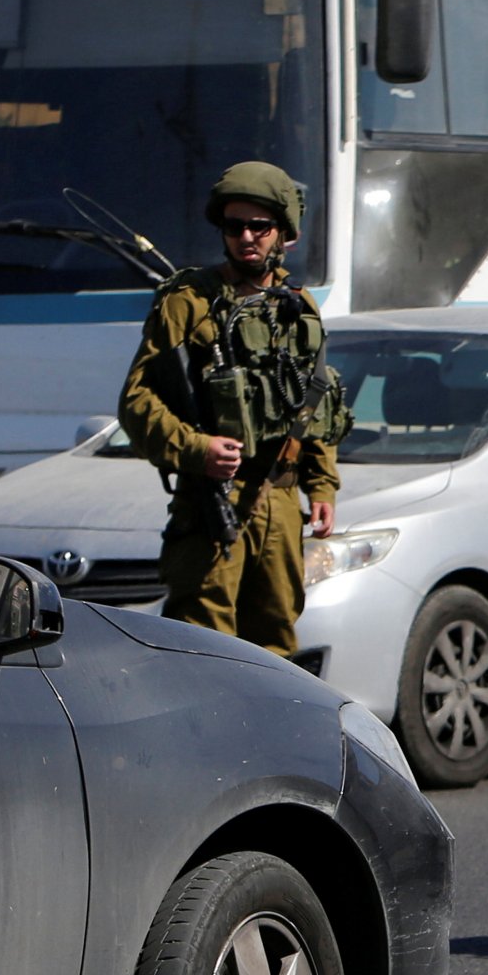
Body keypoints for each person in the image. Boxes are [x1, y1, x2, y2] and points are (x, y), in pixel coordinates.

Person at [118, 162, 339, 654]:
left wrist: (321, 484)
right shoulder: (187, 303)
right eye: (234, 226)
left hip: (280, 503)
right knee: (203, 649)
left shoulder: (298, 308)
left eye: (258, 226)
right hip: (212, 500)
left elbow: (312, 402)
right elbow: (136, 403)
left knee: (276, 647)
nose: (245, 237)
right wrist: (198, 448)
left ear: (283, 233)